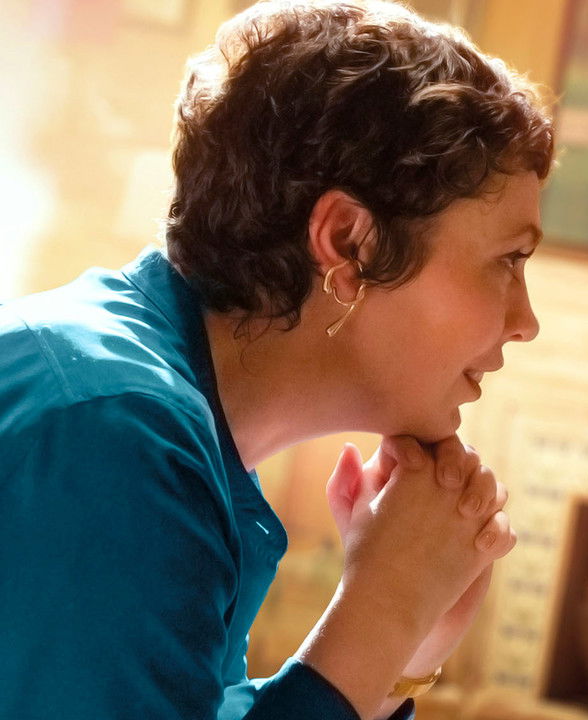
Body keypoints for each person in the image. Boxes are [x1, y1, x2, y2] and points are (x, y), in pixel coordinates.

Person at [0, 1, 553, 718]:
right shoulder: (115, 436)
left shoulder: (178, 440)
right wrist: (380, 613)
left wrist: (405, 657)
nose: (525, 322)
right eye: (508, 260)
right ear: (350, 244)